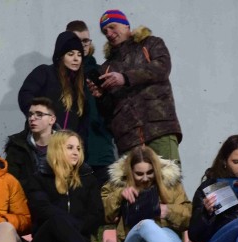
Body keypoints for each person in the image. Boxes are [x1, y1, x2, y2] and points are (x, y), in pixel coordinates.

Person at [88, 9, 182, 163]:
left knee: (169, 183)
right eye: (105, 31)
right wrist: (101, 97)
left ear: (126, 25)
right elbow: (108, 113)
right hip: (128, 141)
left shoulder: (151, 43)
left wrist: (125, 78)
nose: (109, 33)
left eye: (112, 27)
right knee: (135, 187)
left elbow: (162, 67)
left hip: (159, 129)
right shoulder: (106, 67)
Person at [102, 146, 202, 242]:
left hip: (169, 239)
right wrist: (119, 195)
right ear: (130, 172)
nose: (145, 178)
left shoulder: (171, 183)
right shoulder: (118, 183)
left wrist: (168, 211)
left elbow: (189, 217)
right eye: (139, 174)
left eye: (150, 173)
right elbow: (104, 214)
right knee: (147, 224)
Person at [26, 130, 109, 242]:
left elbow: (96, 214)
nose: (76, 152)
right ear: (57, 149)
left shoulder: (88, 178)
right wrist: (71, 225)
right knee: (56, 220)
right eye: (70, 147)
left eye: (78, 148)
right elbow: (42, 209)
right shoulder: (39, 178)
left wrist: (72, 229)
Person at [66, 20, 116, 185]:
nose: (84, 45)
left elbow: (112, 110)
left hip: (100, 151)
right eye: (79, 40)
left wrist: (102, 97)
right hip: (71, 154)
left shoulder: (100, 72)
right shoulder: (59, 75)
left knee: (106, 205)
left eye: (86, 40)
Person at [18, 31, 87, 135]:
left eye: (79, 55)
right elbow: (25, 95)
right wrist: (40, 118)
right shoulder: (45, 72)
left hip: (66, 144)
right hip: (42, 139)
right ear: (61, 56)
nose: (76, 59)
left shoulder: (81, 83)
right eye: (70, 54)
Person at [4, 97, 58, 189]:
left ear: (52, 119)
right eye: (30, 114)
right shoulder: (16, 146)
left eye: (39, 114)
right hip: (26, 199)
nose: (32, 118)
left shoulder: (66, 144)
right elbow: (11, 182)